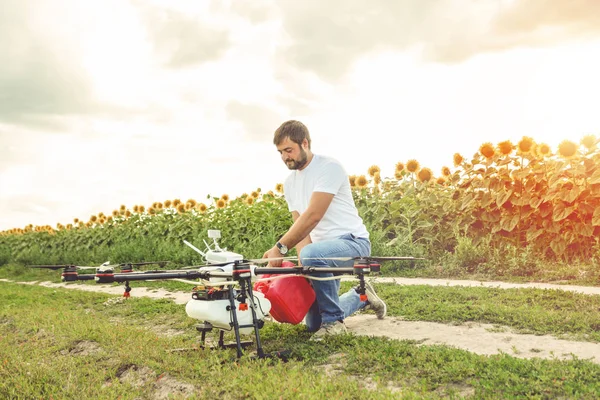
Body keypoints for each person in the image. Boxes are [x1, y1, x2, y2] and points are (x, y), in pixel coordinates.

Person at [262, 120, 387, 340]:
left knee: (313, 255)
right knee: (313, 323)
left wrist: (280, 248)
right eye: (280, 152)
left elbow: (313, 216)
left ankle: (334, 325)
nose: (285, 157)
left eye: (289, 150)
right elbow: (300, 228)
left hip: (353, 243)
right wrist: (304, 267)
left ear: (305, 143)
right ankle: (362, 295)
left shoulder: (329, 167)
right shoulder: (290, 183)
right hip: (320, 254)